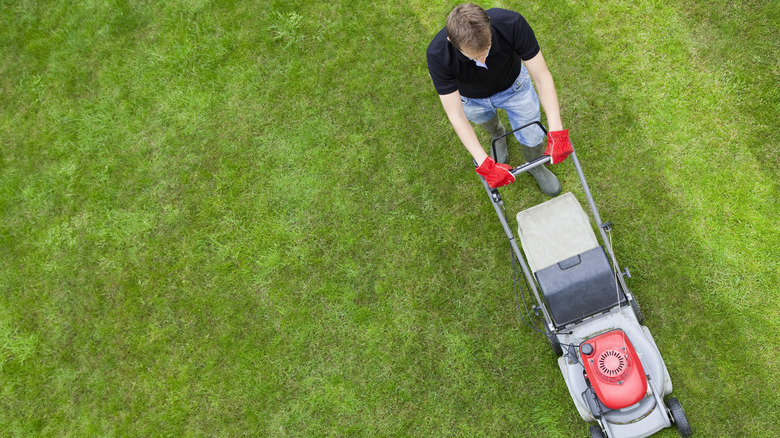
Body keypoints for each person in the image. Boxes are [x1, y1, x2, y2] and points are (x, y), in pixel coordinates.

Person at [426, 3, 573, 194]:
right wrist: (483, 162)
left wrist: (556, 130)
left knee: (533, 134)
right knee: (485, 120)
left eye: (486, 49)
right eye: (474, 56)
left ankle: (535, 166)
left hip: (515, 88)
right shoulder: (437, 54)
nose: (482, 61)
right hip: (472, 99)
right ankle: (497, 135)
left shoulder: (512, 23)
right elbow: (456, 115)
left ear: (490, 26)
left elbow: (542, 77)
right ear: (451, 41)